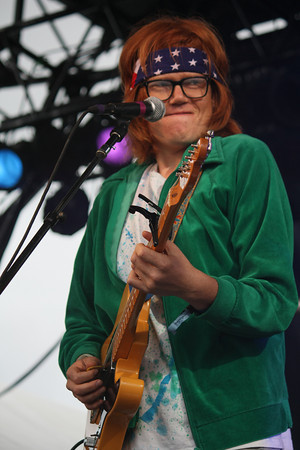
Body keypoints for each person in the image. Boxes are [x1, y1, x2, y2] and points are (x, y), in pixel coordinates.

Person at [59, 16, 298, 450]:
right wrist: (81, 361)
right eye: (162, 84)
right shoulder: (113, 192)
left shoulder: (245, 159)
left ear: (215, 92)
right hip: (130, 432)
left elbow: (277, 303)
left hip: (237, 432)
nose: (180, 95)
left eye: (194, 81)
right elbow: (82, 320)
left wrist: (194, 286)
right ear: (138, 97)